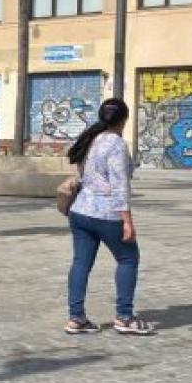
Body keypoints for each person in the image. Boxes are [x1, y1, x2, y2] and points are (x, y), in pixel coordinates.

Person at [64, 98, 154, 336]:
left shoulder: (90, 138)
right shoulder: (116, 143)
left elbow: (83, 174)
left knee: (81, 263)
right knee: (128, 259)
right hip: (107, 214)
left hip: (81, 211)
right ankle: (124, 316)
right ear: (123, 119)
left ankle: (76, 318)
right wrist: (127, 220)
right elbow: (120, 184)